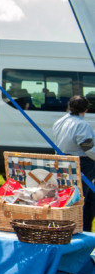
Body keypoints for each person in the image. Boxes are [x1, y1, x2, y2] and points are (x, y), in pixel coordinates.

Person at [53, 95, 95, 232]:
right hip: (81, 163)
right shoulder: (82, 125)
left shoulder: (59, 122)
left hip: (63, 162)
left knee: (68, 197)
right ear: (86, 109)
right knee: (85, 199)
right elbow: (88, 148)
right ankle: (83, 229)